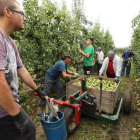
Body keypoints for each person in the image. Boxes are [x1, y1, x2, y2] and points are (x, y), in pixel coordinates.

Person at [0, 0, 46, 139]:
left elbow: (21, 69)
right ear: (8, 12)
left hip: (8, 107)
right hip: (3, 110)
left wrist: (37, 89)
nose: (24, 18)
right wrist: (17, 115)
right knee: (29, 131)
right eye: (22, 13)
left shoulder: (10, 42)